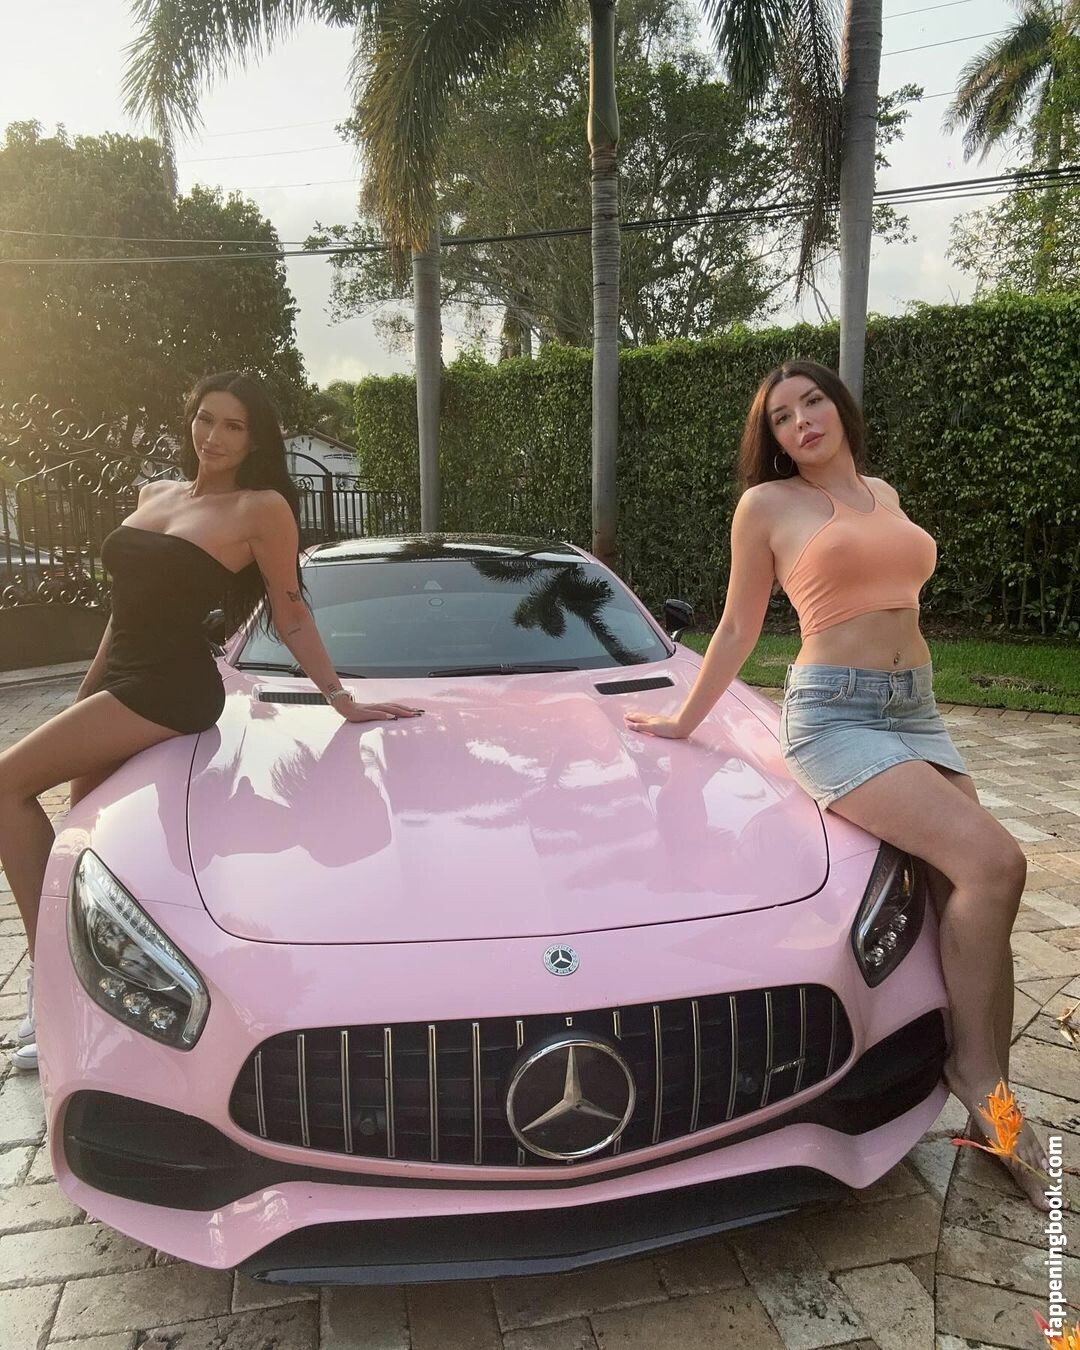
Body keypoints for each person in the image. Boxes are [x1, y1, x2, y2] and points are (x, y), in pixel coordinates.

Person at [624, 359, 1051, 1211]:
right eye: (782, 417)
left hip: (914, 708)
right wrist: (682, 718)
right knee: (996, 864)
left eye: (812, 401)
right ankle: (982, 1084)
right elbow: (739, 625)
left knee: (967, 889)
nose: (802, 422)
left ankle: (979, 1077)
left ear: (840, 406)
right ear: (775, 440)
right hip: (835, 716)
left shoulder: (883, 494)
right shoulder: (766, 506)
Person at [0, 371, 423, 1072]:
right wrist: (86, 692)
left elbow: (290, 611)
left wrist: (339, 697)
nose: (215, 436)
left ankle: (47, 994)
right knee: (82, 839)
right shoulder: (154, 494)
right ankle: (78, 986)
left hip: (170, 688)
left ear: (255, 440)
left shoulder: (261, 509)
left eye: (234, 426)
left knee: (5, 783)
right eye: (206, 419)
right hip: (120, 683)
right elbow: (122, 613)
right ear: (190, 420)